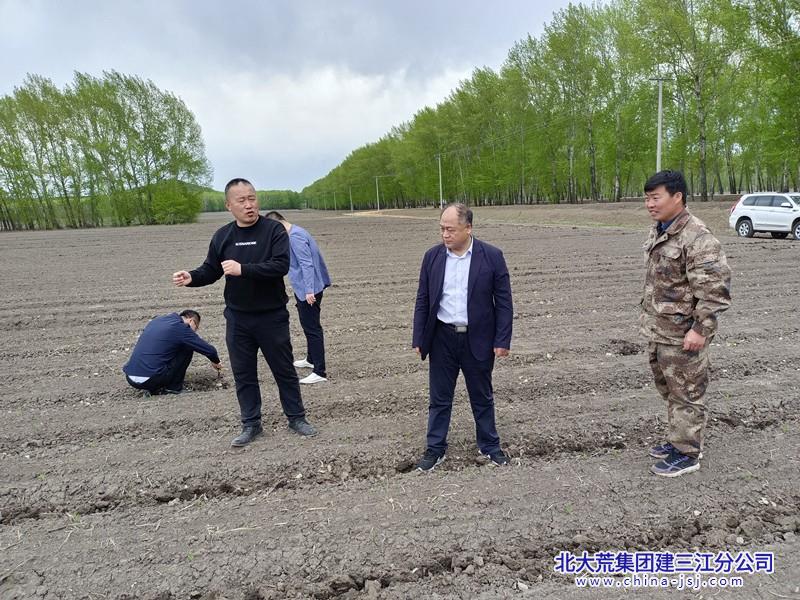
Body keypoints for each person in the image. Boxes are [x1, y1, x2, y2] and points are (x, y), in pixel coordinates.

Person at [172, 178, 317, 447]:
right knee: (244, 373)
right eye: (242, 200)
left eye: (252, 198)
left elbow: (280, 265)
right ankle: (251, 424)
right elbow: (211, 270)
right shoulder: (223, 236)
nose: (249, 205)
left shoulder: (273, 230)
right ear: (229, 205)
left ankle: (297, 418)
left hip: (271, 316)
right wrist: (191, 276)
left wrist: (244, 269)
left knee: (283, 370)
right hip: (238, 319)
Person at [641, 170, 731, 477]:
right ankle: (678, 439)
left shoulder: (697, 237)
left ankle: (687, 453)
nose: (649, 204)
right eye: (647, 198)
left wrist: (700, 330)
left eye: (656, 197)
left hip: (684, 335)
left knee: (687, 392)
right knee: (670, 389)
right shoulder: (661, 230)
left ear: (677, 196)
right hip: (661, 331)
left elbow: (714, 291)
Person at [412, 203, 513, 472]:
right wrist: (419, 336)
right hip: (442, 338)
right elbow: (423, 299)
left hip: (477, 338)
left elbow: (504, 302)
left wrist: (502, 340)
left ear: (468, 228)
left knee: (481, 396)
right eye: (441, 229)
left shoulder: (491, 256)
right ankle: (435, 448)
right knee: (439, 398)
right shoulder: (432, 257)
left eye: (450, 229)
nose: (445, 235)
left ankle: (489, 446)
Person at [264, 211, 331, 385]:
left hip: (309, 290)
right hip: (306, 288)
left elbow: (306, 263)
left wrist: (309, 290)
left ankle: (319, 371)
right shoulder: (297, 231)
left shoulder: (295, 237)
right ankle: (311, 359)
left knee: (312, 328)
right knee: (307, 325)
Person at [123, 310, 222, 395]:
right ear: (191, 321)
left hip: (130, 377)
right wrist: (215, 361)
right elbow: (209, 350)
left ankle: (153, 387)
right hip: (151, 378)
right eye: (196, 328)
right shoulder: (181, 328)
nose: (194, 332)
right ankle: (173, 388)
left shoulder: (156, 321)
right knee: (187, 346)